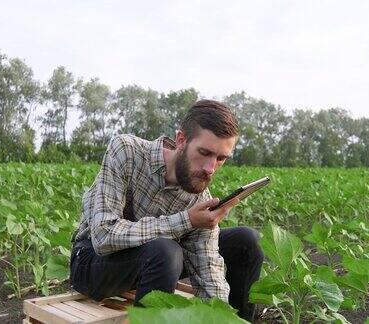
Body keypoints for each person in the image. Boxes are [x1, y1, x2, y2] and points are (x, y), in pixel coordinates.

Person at [70, 99, 264, 321]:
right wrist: (186, 221)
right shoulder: (127, 152)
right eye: (204, 152)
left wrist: (221, 319)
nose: (211, 168)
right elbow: (103, 236)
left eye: (221, 159)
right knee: (166, 251)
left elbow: (208, 272)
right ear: (181, 140)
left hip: (156, 266)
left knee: (246, 242)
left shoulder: (199, 197)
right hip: (92, 261)